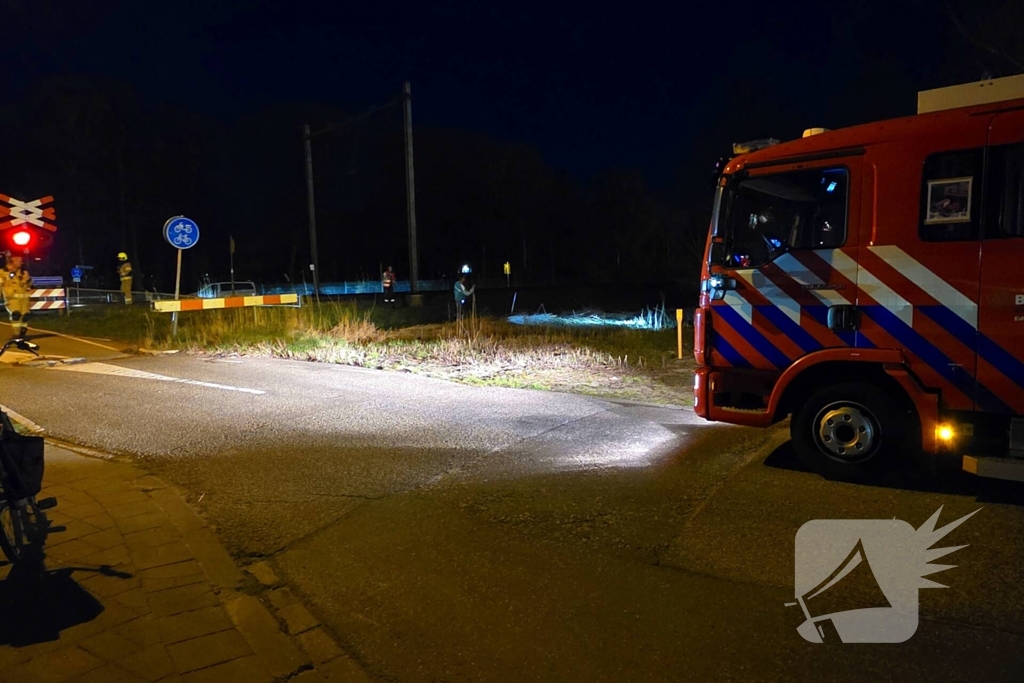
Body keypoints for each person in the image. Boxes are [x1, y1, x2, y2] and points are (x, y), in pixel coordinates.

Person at [1, 253, 32, 338]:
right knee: (16, 315)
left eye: (21, 261)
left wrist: (28, 280)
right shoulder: (3, 272)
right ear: (12, 261)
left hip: (24, 299)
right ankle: (16, 334)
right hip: (11, 299)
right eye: (18, 260)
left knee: (25, 316)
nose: (21, 262)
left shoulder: (23, 272)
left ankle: (23, 333)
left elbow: (29, 284)